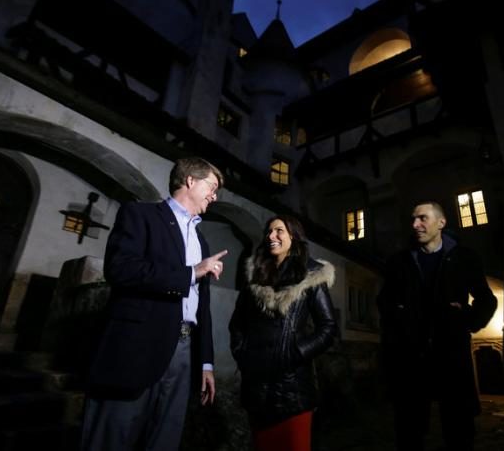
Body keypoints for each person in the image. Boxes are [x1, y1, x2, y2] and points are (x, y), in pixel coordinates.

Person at [81, 157, 229, 451]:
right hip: (137, 348)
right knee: (112, 437)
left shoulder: (202, 240)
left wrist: (206, 362)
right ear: (190, 181)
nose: (214, 196)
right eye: (212, 187)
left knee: (165, 439)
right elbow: (121, 269)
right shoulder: (140, 214)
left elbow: (202, 306)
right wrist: (190, 272)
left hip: (185, 354)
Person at [377, 201, 497, 451]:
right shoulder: (399, 261)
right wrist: (400, 319)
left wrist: (465, 318)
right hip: (411, 356)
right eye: (413, 219)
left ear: (441, 223)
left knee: (458, 427)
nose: (415, 225)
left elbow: (486, 300)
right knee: (409, 429)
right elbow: (384, 301)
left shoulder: (464, 257)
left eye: (422, 218)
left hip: (451, 353)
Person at [229, 215, 338, 451]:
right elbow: (237, 324)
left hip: (292, 386)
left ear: (293, 237)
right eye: (269, 231)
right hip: (257, 385)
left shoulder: (311, 275)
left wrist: (295, 352)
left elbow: (328, 327)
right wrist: (243, 354)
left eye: (279, 231)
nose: (271, 236)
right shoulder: (255, 275)